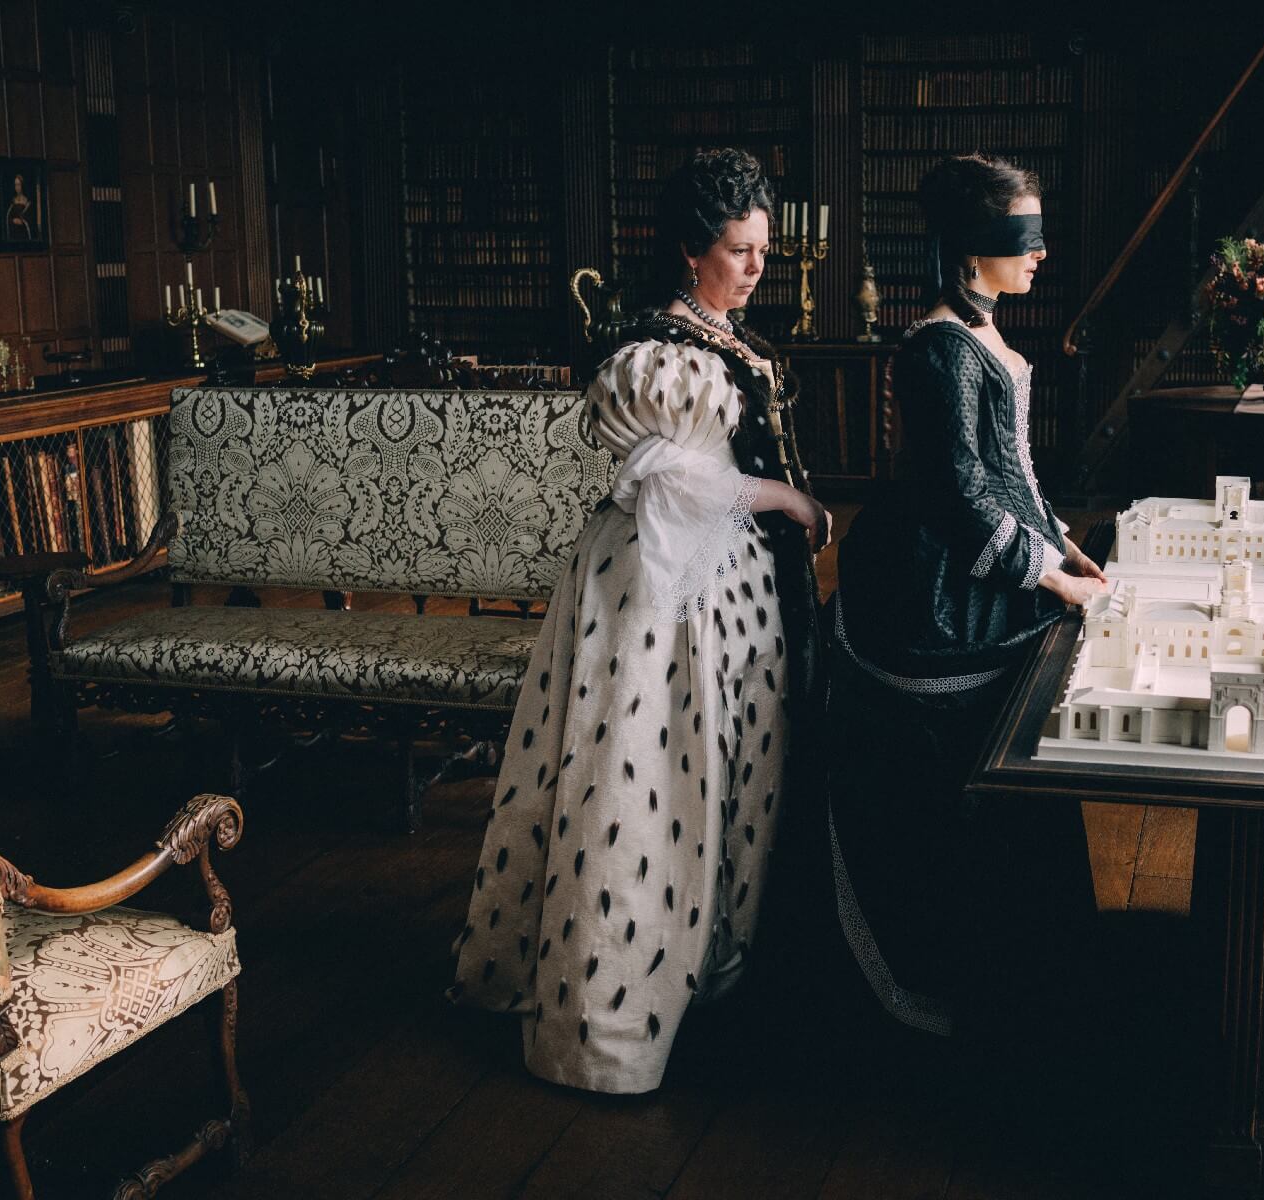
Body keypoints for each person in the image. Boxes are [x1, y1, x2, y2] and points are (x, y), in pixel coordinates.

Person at [451, 147, 829, 1094]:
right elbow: (671, 480)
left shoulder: (726, 336)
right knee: (654, 774)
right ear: (692, 251)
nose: (758, 265)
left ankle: (710, 970)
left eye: (763, 248)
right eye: (739, 249)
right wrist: (785, 499)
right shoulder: (661, 356)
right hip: (664, 594)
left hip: (737, 591)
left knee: (731, 771)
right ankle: (613, 1016)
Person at [824, 153, 1107, 1044]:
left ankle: (1033, 963)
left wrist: (1067, 545)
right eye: (1025, 236)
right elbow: (960, 495)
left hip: (989, 564)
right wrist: (1051, 575)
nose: (1042, 253)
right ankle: (971, 973)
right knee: (969, 778)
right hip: (935, 590)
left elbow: (1013, 471)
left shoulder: (979, 337)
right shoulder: (938, 348)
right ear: (974, 246)